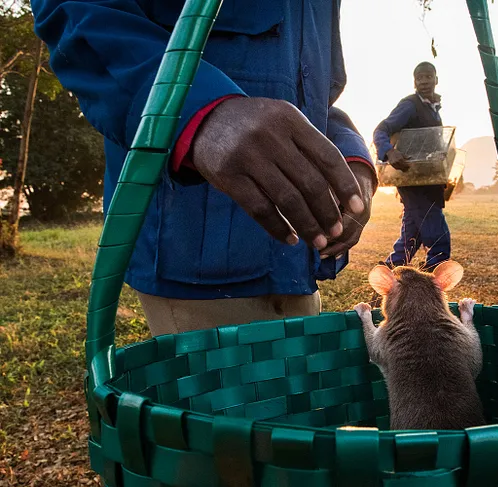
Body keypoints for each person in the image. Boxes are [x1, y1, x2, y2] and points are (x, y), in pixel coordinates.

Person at [31, 0, 378, 335]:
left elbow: (315, 97)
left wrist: (351, 156)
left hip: (295, 260)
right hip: (195, 247)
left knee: (298, 393)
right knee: (225, 395)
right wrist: (197, 111)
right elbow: (79, 10)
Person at [373, 62, 451, 271]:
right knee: (440, 244)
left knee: (408, 244)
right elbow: (381, 130)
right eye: (419, 78)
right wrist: (390, 152)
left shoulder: (432, 109)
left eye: (428, 76)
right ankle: (428, 291)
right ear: (414, 81)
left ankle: (385, 280)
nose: (424, 81)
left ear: (436, 79)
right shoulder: (410, 105)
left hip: (428, 183)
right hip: (414, 184)